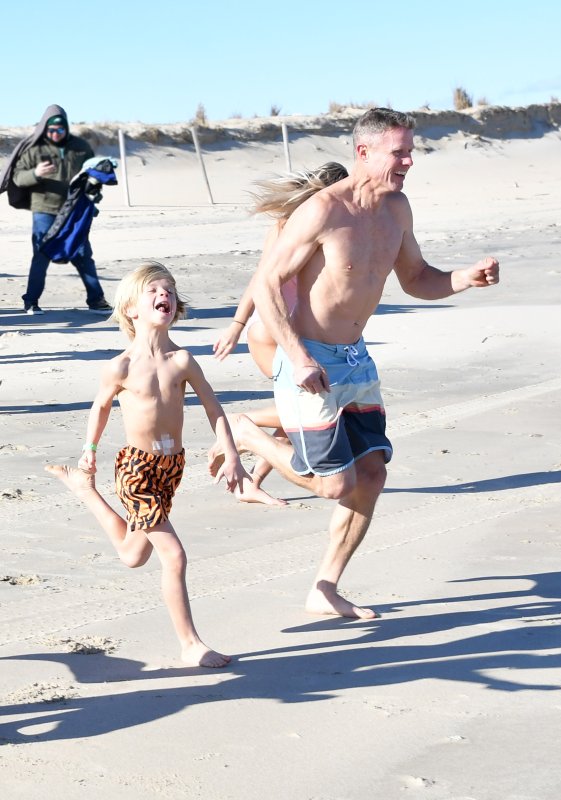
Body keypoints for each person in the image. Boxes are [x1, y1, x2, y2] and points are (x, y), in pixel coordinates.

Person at [209, 107, 500, 620]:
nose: (409, 160)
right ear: (363, 152)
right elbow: (268, 284)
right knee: (335, 484)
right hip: (309, 360)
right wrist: (295, 356)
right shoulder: (323, 211)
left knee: (372, 473)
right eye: (399, 151)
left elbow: (417, 279)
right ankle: (249, 434)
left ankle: (324, 586)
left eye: (411, 150)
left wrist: (463, 278)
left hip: (356, 361)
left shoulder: (396, 209)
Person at [46, 261, 250, 666]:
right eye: (155, 291)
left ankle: (85, 491)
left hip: (170, 468)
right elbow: (100, 406)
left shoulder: (182, 361)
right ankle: (190, 644)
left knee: (133, 555)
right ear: (131, 309)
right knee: (173, 555)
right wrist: (89, 447)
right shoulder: (120, 366)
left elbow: (214, 408)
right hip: (135, 469)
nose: (166, 296)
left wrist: (230, 452)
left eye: (171, 291)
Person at [213, 162, 349, 506]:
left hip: (277, 330)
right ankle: (240, 426)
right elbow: (261, 281)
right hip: (275, 332)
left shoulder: (300, 224)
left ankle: (252, 482)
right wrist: (236, 326)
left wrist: (236, 327)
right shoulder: (300, 227)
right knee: (312, 407)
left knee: (301, 406)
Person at [9, 104, 112, 315]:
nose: (55, 133)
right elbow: (18, 177)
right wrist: (36, 173)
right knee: (41, 254)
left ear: (66, 127)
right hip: (44, 209)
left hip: (74, 211)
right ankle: (31, 301)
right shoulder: (34, 150)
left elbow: (92, 176)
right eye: (51, 129)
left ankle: (96, 300)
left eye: (60, 129)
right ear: (45, 128)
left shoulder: (81, 147)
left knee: (82, 253)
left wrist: (94, 192)